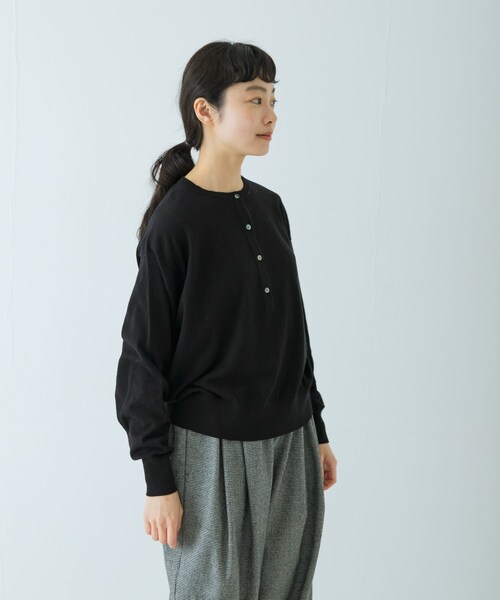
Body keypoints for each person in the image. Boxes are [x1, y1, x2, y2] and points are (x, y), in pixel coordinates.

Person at [115, 40, 337, 600]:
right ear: (205, 110)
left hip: (291, 441)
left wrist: (317, 429)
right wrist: (158, 479)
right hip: (209, 451)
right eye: (254, 99)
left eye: (273, 100)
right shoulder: (175, 222)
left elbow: (292, 328)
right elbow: (142, 355)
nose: (270, 115)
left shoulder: (270, 206)